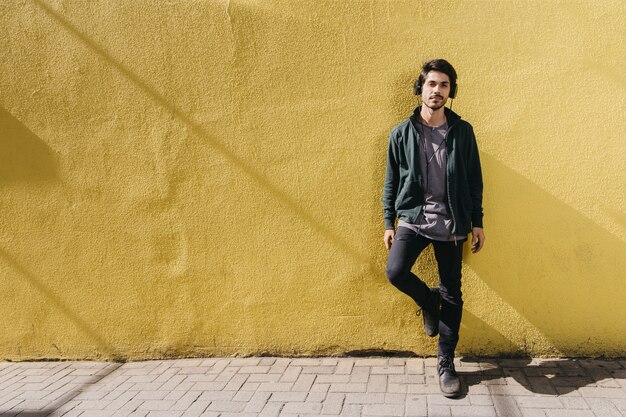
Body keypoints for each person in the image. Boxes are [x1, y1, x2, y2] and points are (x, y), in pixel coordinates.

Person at [381, 59, 485, 398]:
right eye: (431, 84)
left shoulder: (463, 131)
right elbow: (391, 181)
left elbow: (473, 180)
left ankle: (446, 363)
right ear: (420, 88)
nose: (437, 90)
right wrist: (388, 221)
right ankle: (428, 301)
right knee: (396, 272)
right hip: (413, 218)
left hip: (453, 223)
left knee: (452, 292)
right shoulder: (401, 133)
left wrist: (478, 221)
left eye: (443, 85)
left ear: (450, 91)